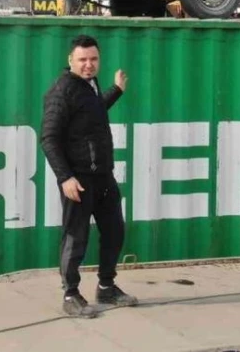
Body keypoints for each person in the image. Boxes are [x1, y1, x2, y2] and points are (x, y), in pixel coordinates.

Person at [40, 34, 138, 317]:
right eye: (82, 60)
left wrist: (116, 90)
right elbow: (48, 138)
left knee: (114, 231)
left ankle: (106, 287)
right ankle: (71, 294)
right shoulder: (62, 91)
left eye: (93, 59)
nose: (88, 64)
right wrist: (65, 178)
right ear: (71, 60)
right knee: (76, 237)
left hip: (103, 177)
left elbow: (93, 111)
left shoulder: (89, 85)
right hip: (78, 180)